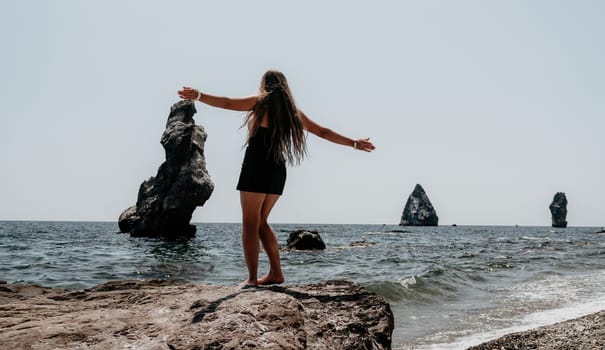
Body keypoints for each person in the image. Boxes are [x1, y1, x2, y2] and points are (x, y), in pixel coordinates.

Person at [178, 70, 375, 287]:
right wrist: (354, 143)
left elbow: (226, 103)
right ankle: (276, 273)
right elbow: (324, 132)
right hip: (277, 170)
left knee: (250, 224)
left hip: (256, 166)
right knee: (261, 222)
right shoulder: (293, 113)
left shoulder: (260, 102)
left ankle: (252, 279)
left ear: (265, 85)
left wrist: (199, 95)